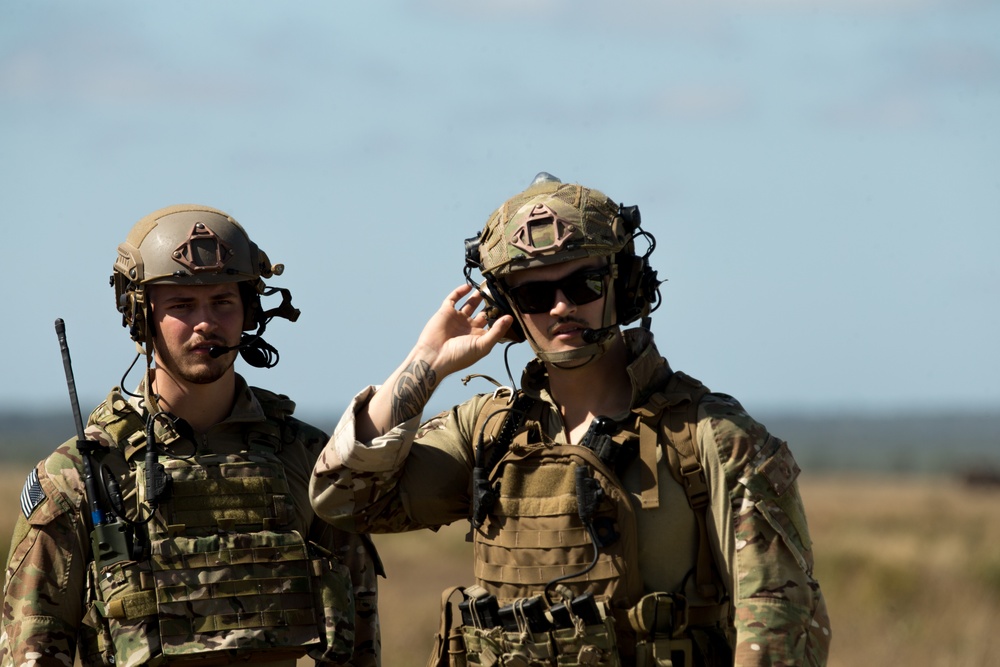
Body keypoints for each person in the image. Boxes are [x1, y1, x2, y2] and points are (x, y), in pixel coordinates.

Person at [310, 172, 831, 667]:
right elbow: (342, 499)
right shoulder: (489, 432)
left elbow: (781, 622)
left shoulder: (711, 437)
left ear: (622, 283)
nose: (560, 307)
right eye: (535, 294)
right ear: (507, 307)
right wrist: (425, 364)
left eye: (583, 284)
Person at [0, 204, 381, 667]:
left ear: (249, 311)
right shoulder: (82, 473)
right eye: (181, 304)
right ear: (141, 315)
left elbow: (359, 631)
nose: (206, 322)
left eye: (223, 302)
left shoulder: (307, 458)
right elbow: (34, 645)